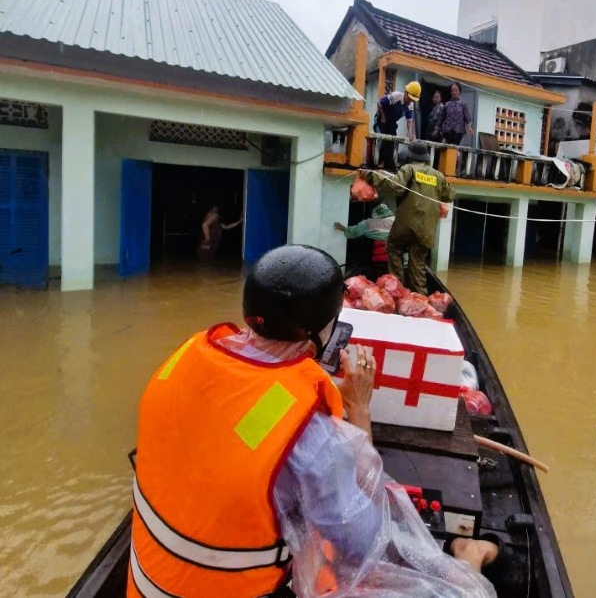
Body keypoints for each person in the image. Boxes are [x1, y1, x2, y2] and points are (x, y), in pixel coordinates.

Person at [127, 244, 500, 598]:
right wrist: (359, 408)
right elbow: (363, 544)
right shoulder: (308, 433)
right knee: (469, 593)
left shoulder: (183, 359)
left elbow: (237, 423)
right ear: (322, 334)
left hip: (147, 586)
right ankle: (469, 557)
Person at [361, 141, 453, 295]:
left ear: (409, 156)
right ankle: (420, 296)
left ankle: (398, 289)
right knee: (418, 261)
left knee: (393, 246)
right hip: (426, 229)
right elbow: (449, 195)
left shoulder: (408, 169)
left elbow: (395, 186)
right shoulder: (438, 175)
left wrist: (369, 175)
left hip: (406, 224)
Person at [375, 81, 421, 168]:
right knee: (383, 141)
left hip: (392, 123)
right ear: (406, 93)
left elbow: (409, 120)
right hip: (381, 120)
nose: (410, 101)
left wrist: (410, 133)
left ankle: (389, 164)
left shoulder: (410, 105)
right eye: (409, 98)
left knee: (393, 142)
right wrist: (382, 116)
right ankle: (379, 162)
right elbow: (379, 102)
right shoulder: (396, 96)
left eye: (412, 100)